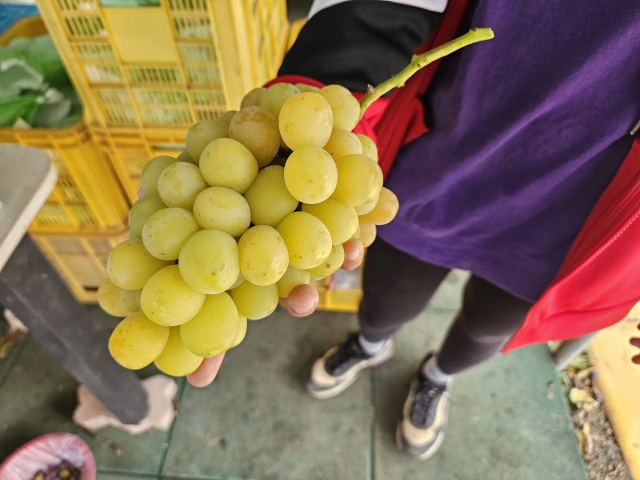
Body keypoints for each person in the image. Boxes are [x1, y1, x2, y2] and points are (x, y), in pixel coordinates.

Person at [188, 0, 640, 460]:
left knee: (487, 328)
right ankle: (369, 345)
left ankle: (436, 378)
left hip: (572, 218)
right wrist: (326, 88)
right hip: (437, 165)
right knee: (385, 298)